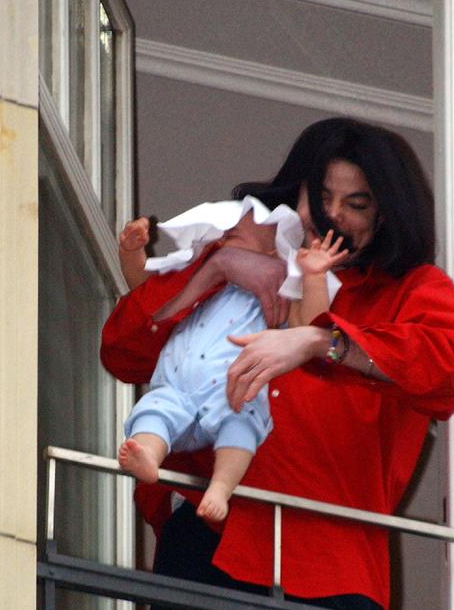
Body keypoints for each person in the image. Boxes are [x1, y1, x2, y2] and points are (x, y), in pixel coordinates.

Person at [100, 117, 454, 610]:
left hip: (330, 578)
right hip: (208, 549)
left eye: (358, 202)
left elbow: (441, 368)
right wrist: (215, 270)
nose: (334, 214)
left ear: (388, 209)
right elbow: (123, 347)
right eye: (322, 193)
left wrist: (320, 336)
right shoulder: (246, 254)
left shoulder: (411, 293)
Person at [117, 197, 348, 521]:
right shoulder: (200, 282)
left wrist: (312, 276)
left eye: (236, 232)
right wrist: (132, 253)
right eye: (221, 234)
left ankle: (221, 489)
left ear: (273, 250)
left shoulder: (279, 290)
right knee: (154, 411)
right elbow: (145, 292)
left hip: (233, 390)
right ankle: (148, 458)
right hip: (175, 387)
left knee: (242, 423)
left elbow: (309, 325)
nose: (223, 237)